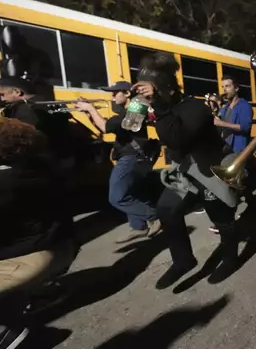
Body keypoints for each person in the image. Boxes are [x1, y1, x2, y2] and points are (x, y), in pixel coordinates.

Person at [133, 53, 240, 290]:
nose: (150, 99)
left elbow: (176, 139)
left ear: (168, 90)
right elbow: (129, 125)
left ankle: (231, 257)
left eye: (154, 93)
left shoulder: (194, 107)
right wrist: (134, 104)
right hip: (186, 169)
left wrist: (158, 106)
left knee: (221, 219)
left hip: (211, 168)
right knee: (166, 209)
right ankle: (183, 260)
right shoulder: (157, 106)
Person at [0, 118, 78, 349]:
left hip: (33, 253)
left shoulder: (8, 182)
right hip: (57, 246)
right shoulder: (40, 167)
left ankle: (13, 336)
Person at [75, 81, 161, 243]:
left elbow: (107, 127)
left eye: (115, 93)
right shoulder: (127, 111)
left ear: (127, 94)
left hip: (133, 156)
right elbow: (105, 127)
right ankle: (138, 227)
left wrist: (91, 109)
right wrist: (89, 113)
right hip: (128, 155)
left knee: (117, 197)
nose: (112, 97)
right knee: (132, 192)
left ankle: (154, 216)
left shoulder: (138, 106)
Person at [216, 76, 253, 155]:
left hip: (237, 152)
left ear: (236, 88)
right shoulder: (226, 107)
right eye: (223, 87)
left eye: (228, 86)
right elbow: (218, 120)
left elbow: (245, 127)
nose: (224, 89)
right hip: (225, 149)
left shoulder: (245, 106)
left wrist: (221, 123)